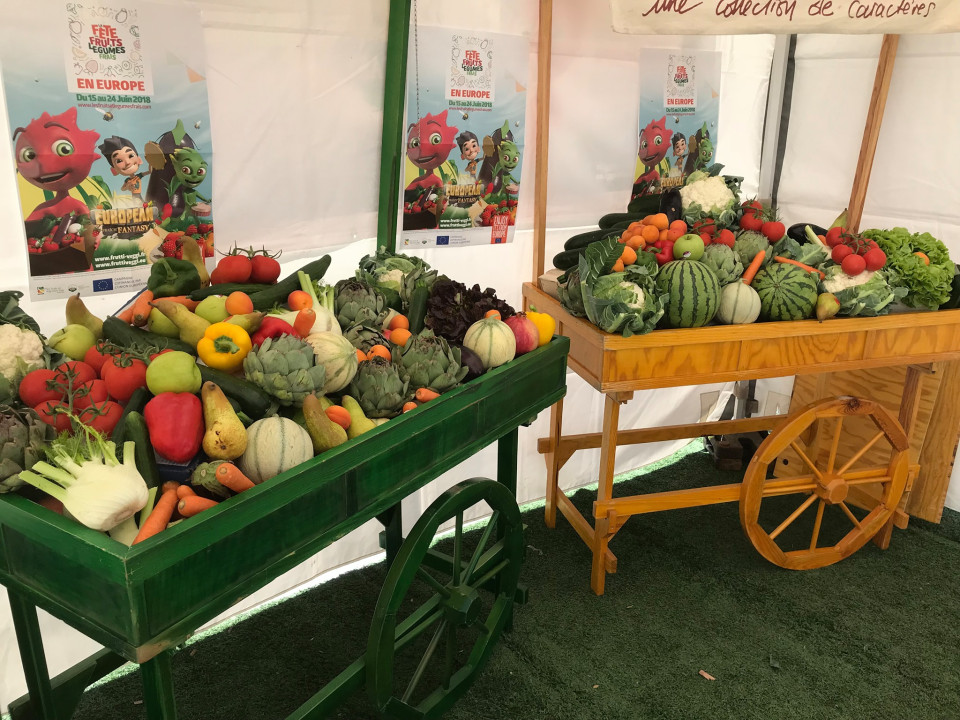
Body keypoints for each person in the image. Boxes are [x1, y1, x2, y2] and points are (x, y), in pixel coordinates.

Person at [99, 135, 151, 200]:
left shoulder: (138, 176)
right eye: (119, 161)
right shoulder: (127, 180)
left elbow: (149, 172)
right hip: (134, 196)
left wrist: (151, 163)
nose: (127, 162)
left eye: (131, 156)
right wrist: (127, 187)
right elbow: (122, 189)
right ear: (114, 170)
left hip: (139, 195)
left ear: (139, 159)